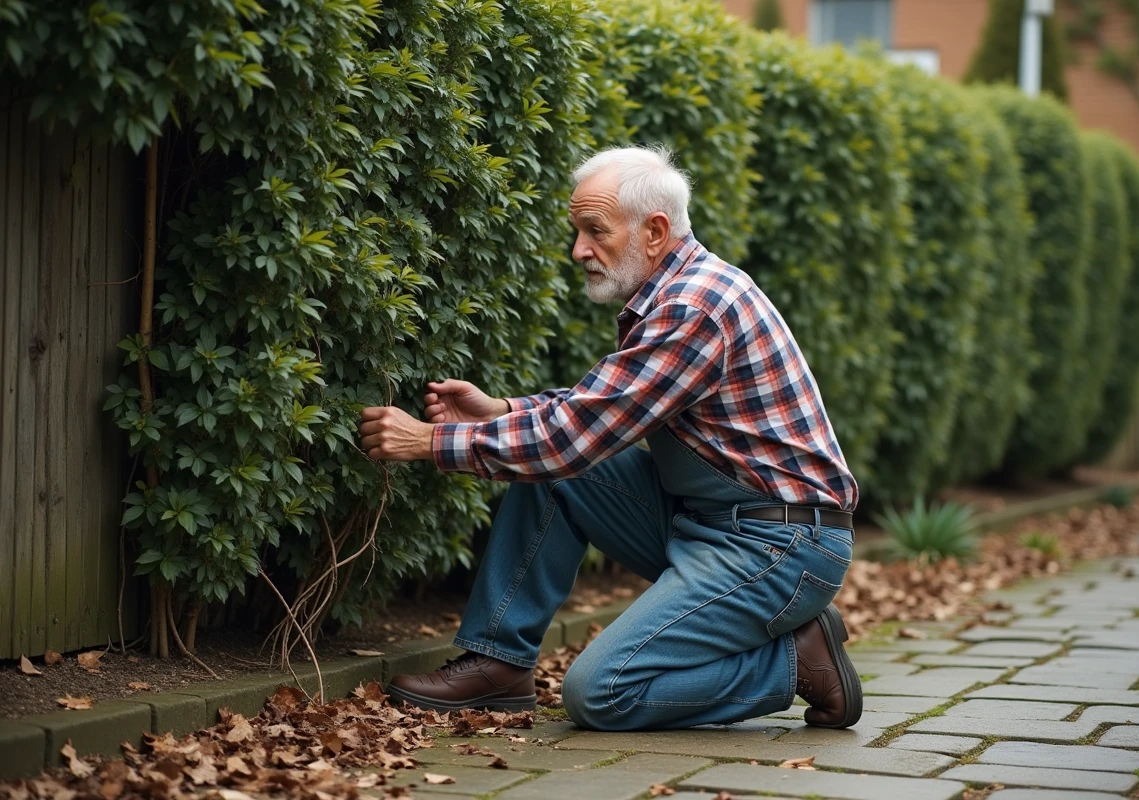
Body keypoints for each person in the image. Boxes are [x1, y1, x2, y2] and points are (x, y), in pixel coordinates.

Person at [357, 145, 862, 732]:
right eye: (577, 230)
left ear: (654, 231)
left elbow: (573, 436)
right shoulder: (678, 292)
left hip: (781, 545)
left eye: (595, 230)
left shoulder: (694, 307)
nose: (578, 250)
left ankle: (795, 661)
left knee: (599, 693)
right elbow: (592, 415)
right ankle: (500, 663)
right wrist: (500, 411)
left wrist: (429, 442)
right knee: (557, 477)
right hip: (716, 520)